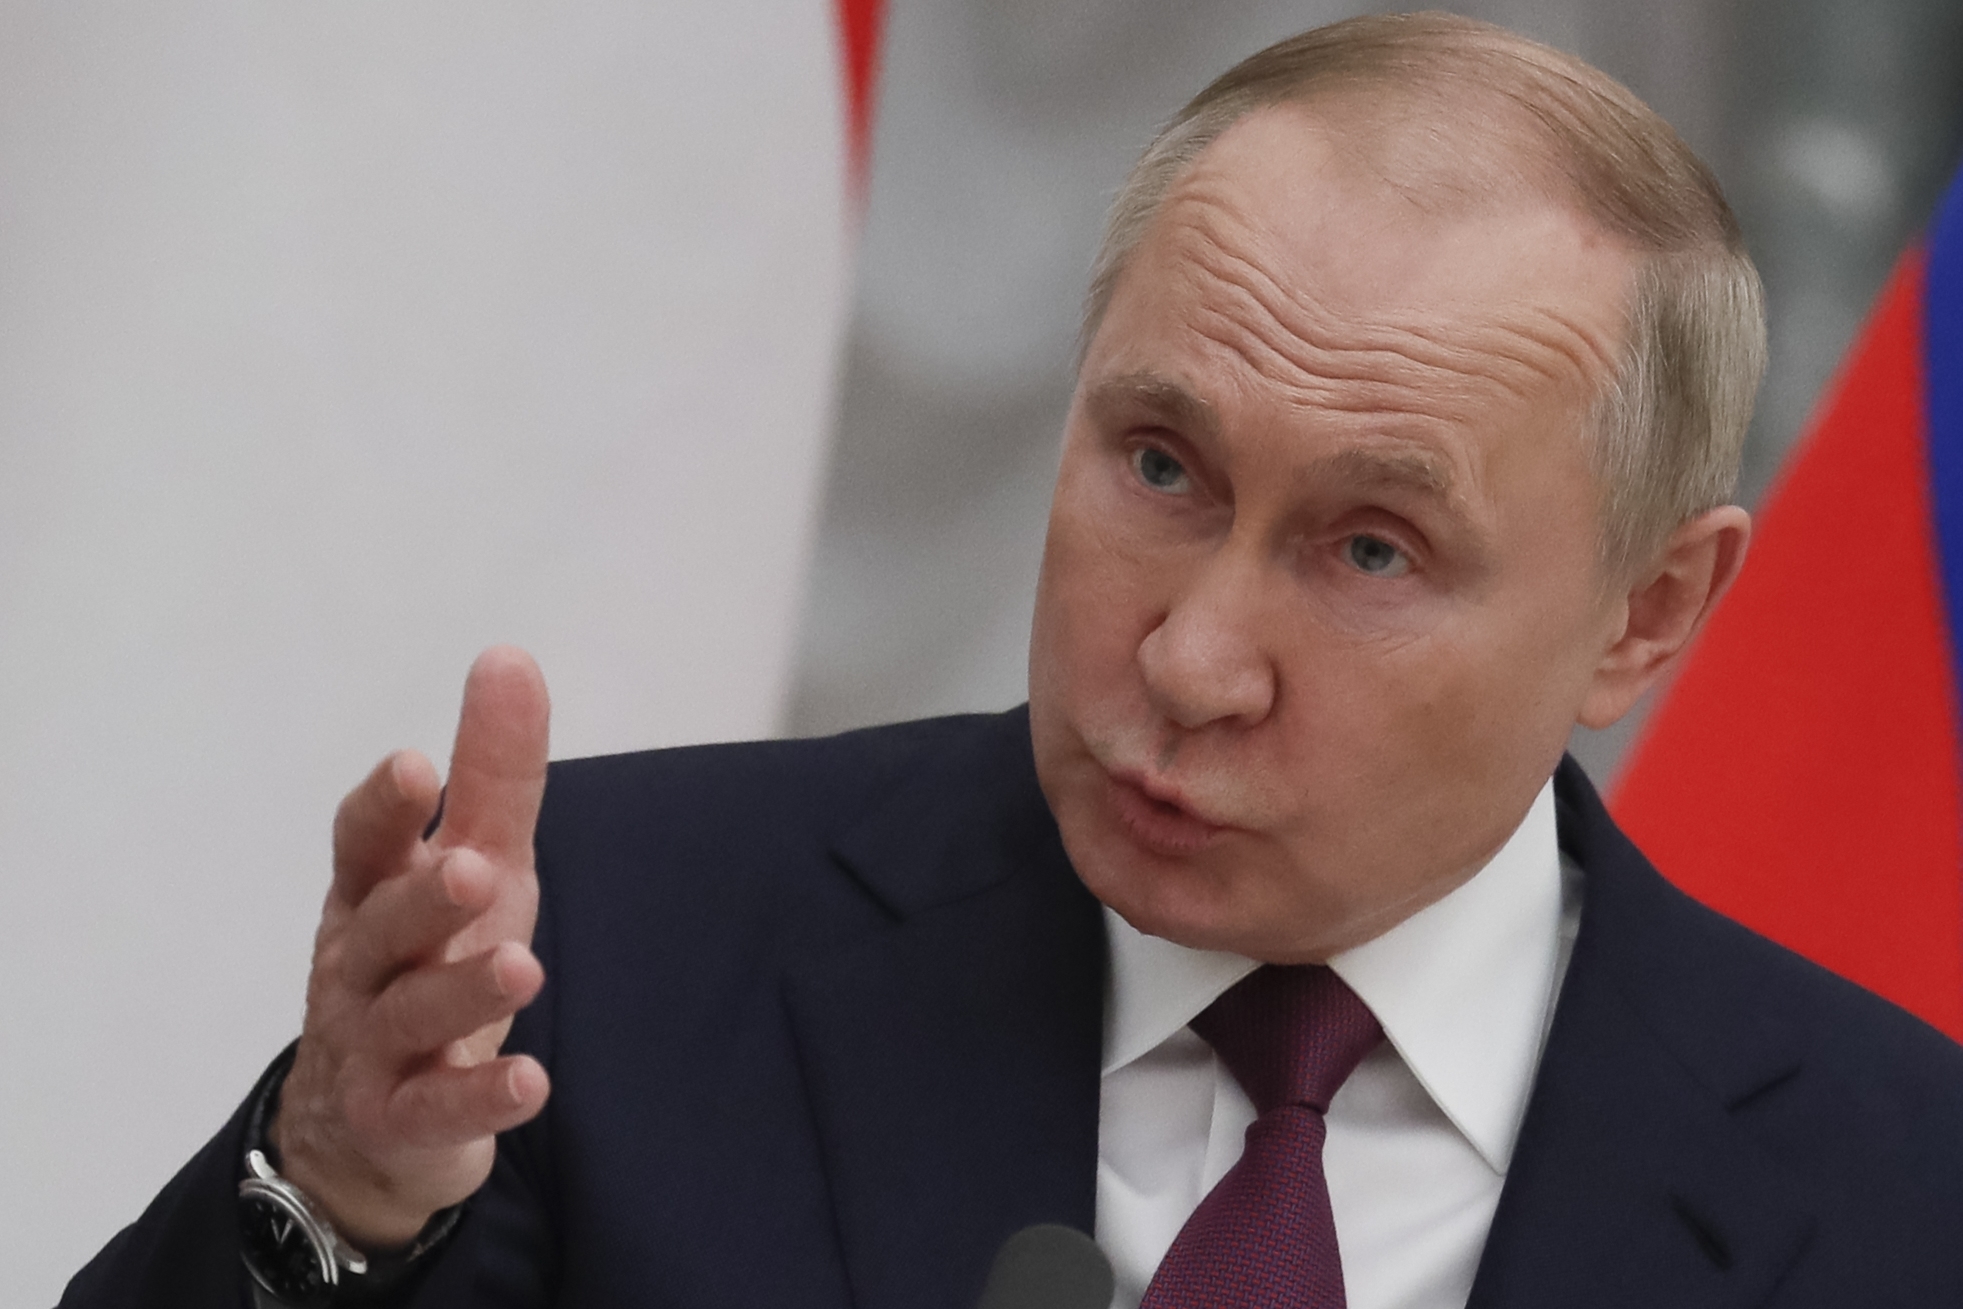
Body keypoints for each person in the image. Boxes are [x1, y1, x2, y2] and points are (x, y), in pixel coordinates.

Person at [61, 13, 1963, 1309]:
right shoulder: (607, 953)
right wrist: (332, 1195)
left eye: (1371, 545)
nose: (1196, 653)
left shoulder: (1904, 1188)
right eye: (1160, 463)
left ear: (1646, 613)